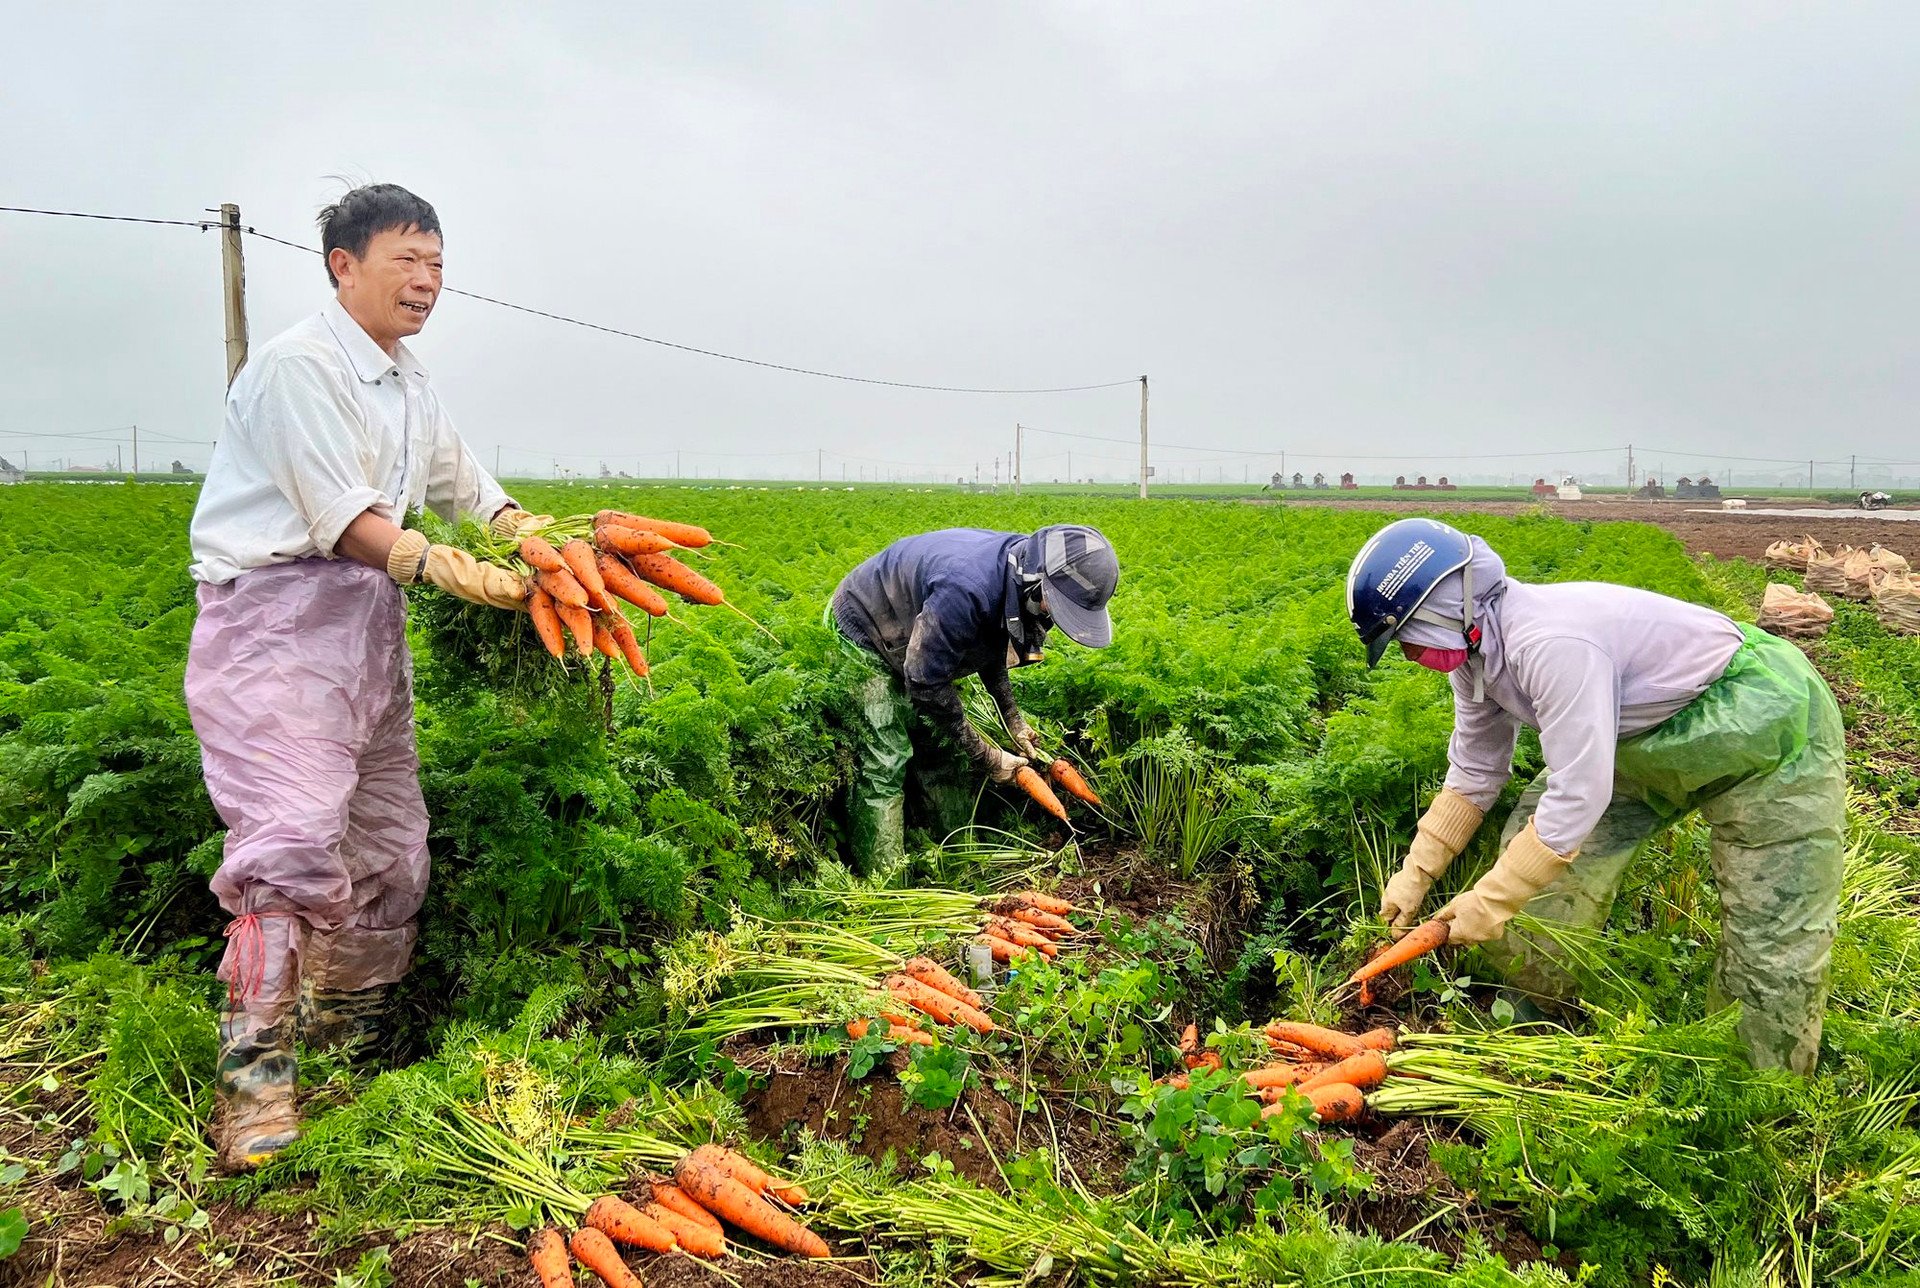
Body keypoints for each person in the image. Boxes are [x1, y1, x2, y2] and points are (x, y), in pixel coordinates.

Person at [185, 184, 544, 1170]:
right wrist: (434, 562)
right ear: (344, 264)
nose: (427, 282)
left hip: (364, 629)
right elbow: (345, 518)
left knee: (391, 853)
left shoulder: (408, 379)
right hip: (276, 624)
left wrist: (538, 540)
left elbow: (464, 485)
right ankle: (254, 1090)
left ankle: (346, 1049)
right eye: (406, 261)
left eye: (437, 264)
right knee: (291, 844)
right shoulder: (300, 369)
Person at [1346, 517, 1845, 1074]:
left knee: (1772, 920)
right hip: (1641, 738)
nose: (1408, 654)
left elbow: (1579, 793)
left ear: (1443, 609)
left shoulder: (1551, 644)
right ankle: (1533, 1019)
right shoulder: (1476, 660)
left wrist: (1488, 901)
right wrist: (1416, 873)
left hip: (1766, 720)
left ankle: (1757, 1084)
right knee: (1539, 870)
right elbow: (1476, 770)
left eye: (1406, 637)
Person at [826, 525, 1120, 871]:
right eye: (1056, 606)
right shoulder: (967, 588)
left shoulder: (1021, 579)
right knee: (887, 755)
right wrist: (989, 758)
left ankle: (951, 861)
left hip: (926, 633)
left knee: (942, 749)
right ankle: (887, 883)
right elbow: (924, 681)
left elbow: (989, 644)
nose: (1054, 616)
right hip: (866, 624)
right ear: (1040, 583)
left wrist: (1013, 719)